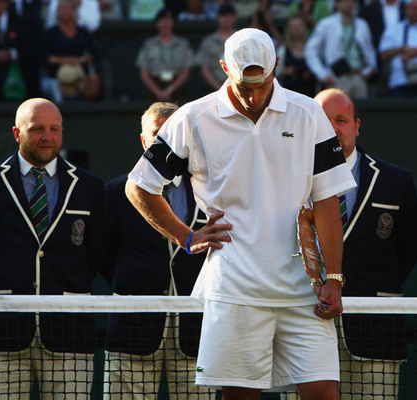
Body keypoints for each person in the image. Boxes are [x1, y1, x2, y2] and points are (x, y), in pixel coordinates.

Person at [125, 28, 356, 400]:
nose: (252, 96)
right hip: (233, 290)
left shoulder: (309, 112)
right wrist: (185, 236)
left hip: (305, 291)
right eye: (243, 85)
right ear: (222, 68)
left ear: (276, 67)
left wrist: (335, 277)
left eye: (262, 85)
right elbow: (138, 186)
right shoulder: (193, 117)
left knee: (324, 394)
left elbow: (327, 201)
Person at [0, 97, 108, 398]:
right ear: (17, 133)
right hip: (0, 332)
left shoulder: (89, 187)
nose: (47, 137)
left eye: (55, 129)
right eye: (37, 129)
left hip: (68, 332)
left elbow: (94, 254)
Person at [314, 88, 417, 399]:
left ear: (356, 126)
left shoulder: (396, 181)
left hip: (376, 325)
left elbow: (411, 246)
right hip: (306, 324)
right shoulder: (285, 179)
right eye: (324, 120)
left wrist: (370, 282)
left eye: (341, 120)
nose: (333, 128)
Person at [102, 102, 214, 400]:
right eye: (156, 135)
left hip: (197, 329)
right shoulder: (116, 192)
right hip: (132, 327)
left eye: (171, 134)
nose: (165, 143)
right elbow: (103, 254)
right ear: (143, 141)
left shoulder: (212, 190)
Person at [305, 0, 377, 99]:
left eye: (352, 2)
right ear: (337, 4)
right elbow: (310, 50)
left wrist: (370, 69)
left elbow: (369, 49)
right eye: (346, 2)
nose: (350, 4)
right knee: (338, 112)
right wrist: (322, 74)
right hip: (338, 77)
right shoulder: (326, 24)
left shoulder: (362, 24)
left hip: (359, 76)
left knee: (361, 112)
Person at [41, 0, 102, 103]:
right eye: (61, 9)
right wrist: (64, 61)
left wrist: (79, 60)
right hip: (55, 77)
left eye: (67, 9)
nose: (64, 12)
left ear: (75, 11)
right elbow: (44, 56)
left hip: (81, 76)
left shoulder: (83, 32)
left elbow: (94, 54)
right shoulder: (50, 33)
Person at [136, 7, 194, 102]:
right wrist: (157, 91)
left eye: (168, 20)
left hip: (177, 87)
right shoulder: (149, 44)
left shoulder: (183, 44)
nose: (165, 24)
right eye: (162, 21)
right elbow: (143, 72)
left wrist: (169, 90)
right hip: (155, 86)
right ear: (157, 24)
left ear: (173, 23)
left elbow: (186, 71)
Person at [195, 4, 238, 91]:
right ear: (218, 17)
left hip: (240, 86)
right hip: (216, 88)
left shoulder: (241, 39)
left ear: (235, 18)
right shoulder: (208, 41)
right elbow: (204, 68)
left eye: (230, 15)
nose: (226, 19)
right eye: (223, 15)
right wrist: (220, 89)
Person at [276, 15, 316, 96]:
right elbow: (276, 73)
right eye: (293, 26)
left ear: (305, 27)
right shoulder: (283, 50)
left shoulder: (313, 47)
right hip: (290, 93)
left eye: (299, 25)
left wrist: (311, 71)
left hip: (311, 92)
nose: (297, 29)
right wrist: (287, 72)